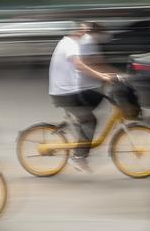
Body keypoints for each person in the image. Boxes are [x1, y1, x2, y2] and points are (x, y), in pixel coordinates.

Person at [48, 22, 119, 173]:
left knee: (98, 97)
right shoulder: (70, 44)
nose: (83, 32)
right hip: (65, 94)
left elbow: (90, 62)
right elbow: (80, 65)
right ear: (73, 31)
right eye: (81, 30)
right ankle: (78, 157)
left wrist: (105, 75)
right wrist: (103, 76)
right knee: (91, 120)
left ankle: (73, 121)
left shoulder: (71, 42)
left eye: (85, 30)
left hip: (71, 91)